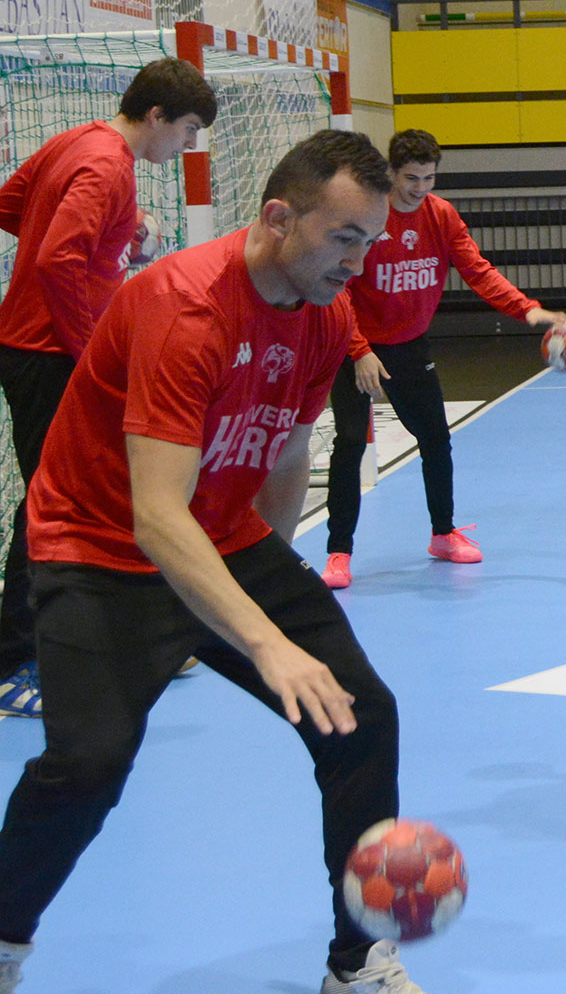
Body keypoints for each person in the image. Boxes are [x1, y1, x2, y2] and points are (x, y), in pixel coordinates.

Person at [0, 131, 427, 994]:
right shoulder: (187, 308)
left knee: (360, 718)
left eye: (371, 242)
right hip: (99, 544)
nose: (360, 261)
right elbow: (154, 515)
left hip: (222, 537)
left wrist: (279, 583)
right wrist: (265, 643)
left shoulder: (325, 312)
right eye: (344, 237)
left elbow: (286, 456)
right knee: (88, 767)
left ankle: (358, 962)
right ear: (278, 217)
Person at [0, 57, 215, 721]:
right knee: (53, 501)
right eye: (184, 131)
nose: (185, 147)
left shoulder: (80, 142)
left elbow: (12, 207)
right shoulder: (104, 165)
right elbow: (56, 257)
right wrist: (93, 347)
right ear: (155, 116)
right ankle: (15, 662)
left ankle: (127, 629)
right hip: (52, 355)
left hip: (35, 347)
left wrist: (117, 234)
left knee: (108, 490)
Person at [321, 130, 566, 589]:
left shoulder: (441, 216)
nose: (420, 187)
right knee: (351, 443)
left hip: (411, 347)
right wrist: (360, 352)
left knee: (436, 439)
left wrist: (527, 309)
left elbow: (478, 270)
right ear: (391, 174)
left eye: (429, 178)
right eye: (411, 178)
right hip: (354, 349)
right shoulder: (370, 218)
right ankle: (339, 553)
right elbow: (341, 290)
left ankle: (442, 533)